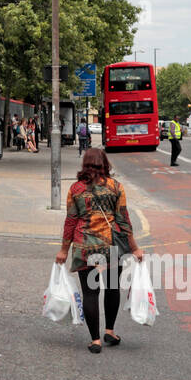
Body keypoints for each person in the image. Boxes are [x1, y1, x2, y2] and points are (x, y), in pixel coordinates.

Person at [56, 149, 144, 353]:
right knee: (112, 288)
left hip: (84, 246)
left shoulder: (76, 189)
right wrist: (135, 248)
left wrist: (63, 250)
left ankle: (95, 340)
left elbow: (70, 221)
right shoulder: (116, 187)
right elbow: (123, 220)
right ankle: (110, 331)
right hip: (110, 245)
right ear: (105, 163)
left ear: (85, 164)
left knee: (90, 293)